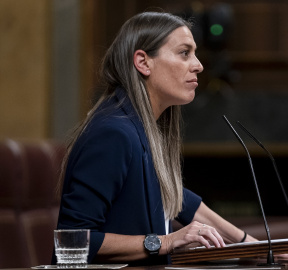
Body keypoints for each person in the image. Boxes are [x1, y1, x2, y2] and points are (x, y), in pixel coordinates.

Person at [54, 11, 259, 266]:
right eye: (185, 53)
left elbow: (175, 197)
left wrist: (250, 244)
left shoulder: (139, 126)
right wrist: (167, 241)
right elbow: (73, 241)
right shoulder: (113, 134)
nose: (198, 65)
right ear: (143, 62)